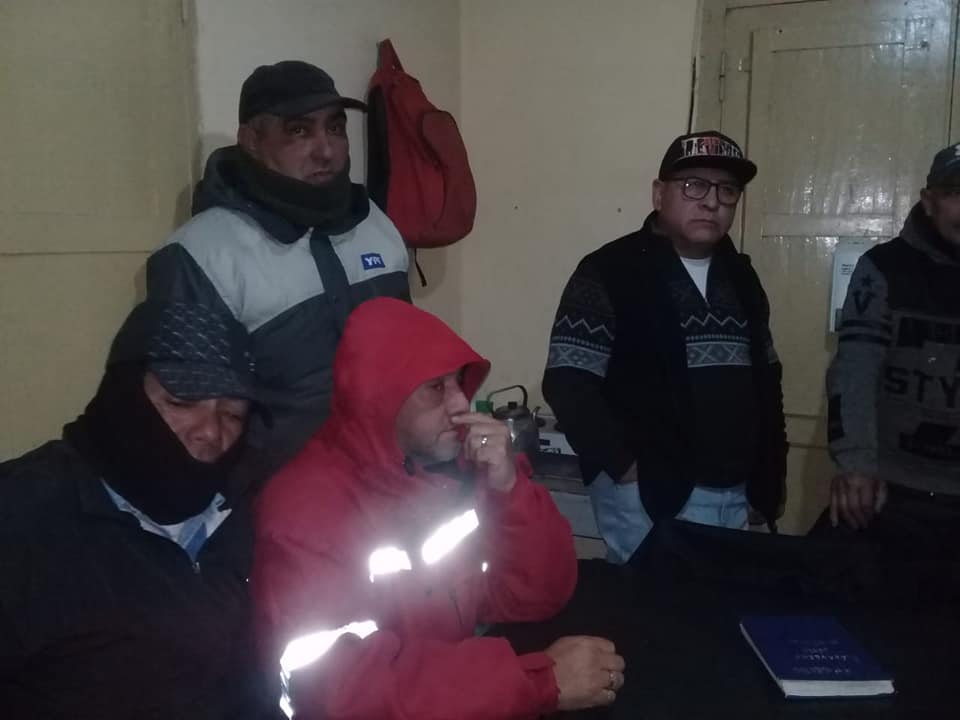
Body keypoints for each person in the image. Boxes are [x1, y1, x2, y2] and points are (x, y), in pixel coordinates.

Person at [253, 298, 625, 719]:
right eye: (436, 388)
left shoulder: (440, 473)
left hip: (452, 697)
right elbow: (340, 691)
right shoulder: (305, 511)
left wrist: (509, 488)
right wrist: (539, 682)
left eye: (458, 382)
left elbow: (537, 596)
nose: (461, 403)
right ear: (380, 396)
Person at [0, 300, 277, 718]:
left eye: (233, 414)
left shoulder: (237, 510)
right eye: (181, 401)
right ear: (125, 392)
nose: (210, 431)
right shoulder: (22, 516)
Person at [147, 60, 411, 483]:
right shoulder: (202, 254)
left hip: (388, 483)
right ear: (251, 141)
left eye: (335, 128)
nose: (326, 151)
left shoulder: (375, 225)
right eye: (299, 132)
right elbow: (190, 425)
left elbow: (409, 358)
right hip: (270, 500)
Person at [542, 130, 787, 564]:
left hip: (736, 494)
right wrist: (625, 468)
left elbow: (767, 383)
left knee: (724, 603)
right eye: (694, 185)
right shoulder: (610, 271)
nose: (711, 201)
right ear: (659, 194)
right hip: (646, 496)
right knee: (653, 604)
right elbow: (568, 382)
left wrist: (769, 478)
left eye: (727, 190)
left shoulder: (742, 277)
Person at [822, 142, 960, 549]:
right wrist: (855, 463)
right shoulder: (883, 268)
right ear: (929, 201)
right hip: (890, 492)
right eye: (956, 193)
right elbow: (854, 369)